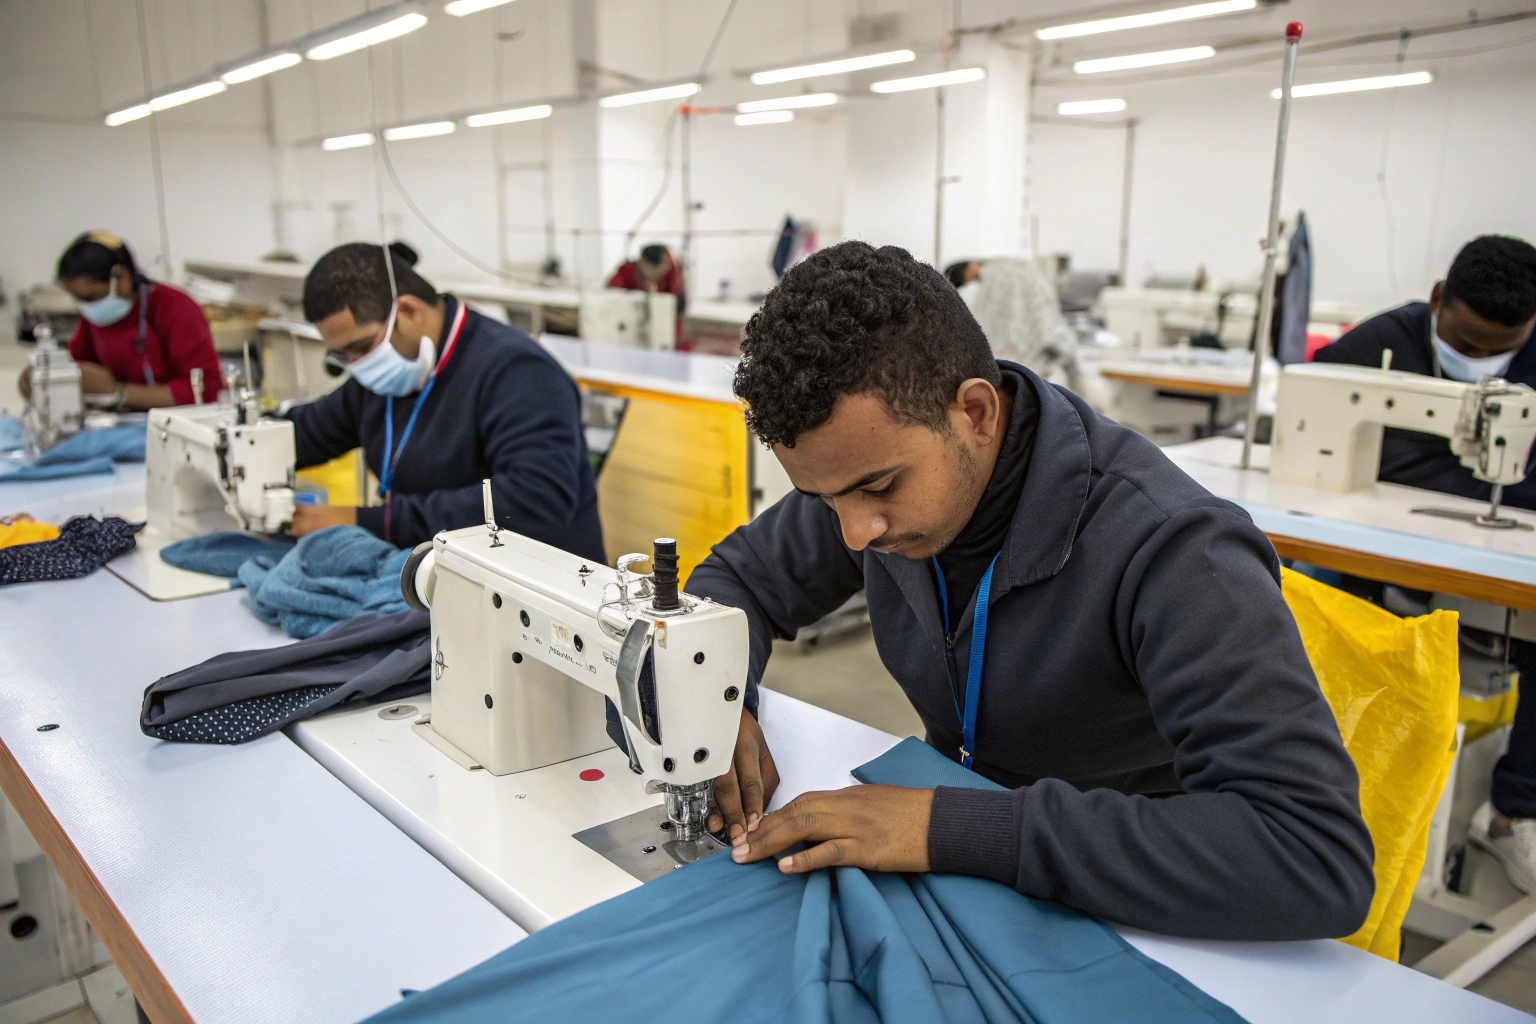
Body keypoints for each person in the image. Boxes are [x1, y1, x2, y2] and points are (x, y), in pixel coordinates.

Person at [687, 241, 1374, 941]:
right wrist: (710, 693)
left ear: (976, 413)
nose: (856, 533)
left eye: (880, 489)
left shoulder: (1175, 550)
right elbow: (735, 581)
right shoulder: (863, 471)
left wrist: (947, 825)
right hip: (974, 874)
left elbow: (1314, 856)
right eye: (825, 499)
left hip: (1136, 908)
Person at [1312, 234, 1536, 893]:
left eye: (1504, 349)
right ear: (1438, 300)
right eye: (1466, 345)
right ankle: (1329, 781)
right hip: (1378, 559)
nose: (1483, 361)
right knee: (1325, 607)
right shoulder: (1377, 345)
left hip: (1499, 559)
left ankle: (1512, 812)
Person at [285, 241, 604, 559]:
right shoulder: (378, 383)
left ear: (409, 311)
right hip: (438, 572)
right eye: (342, 356)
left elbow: (533, 502)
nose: (356, 365)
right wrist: (249, 442)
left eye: (363, 348)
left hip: (538, 584)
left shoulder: (519, 372)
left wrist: (372, 521)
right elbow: (307, 433)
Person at [17, 232, 221, 410]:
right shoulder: (95, 318)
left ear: (121, 277)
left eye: (90, 297)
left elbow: (204, 390)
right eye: (79, 300)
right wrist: (46, 376)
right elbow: (81, 365)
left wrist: (117, 393)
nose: (87, 307)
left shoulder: (175, 308)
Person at [607, 244, 686, 315]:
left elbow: (678, 307)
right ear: (643, 262)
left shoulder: (669, 274)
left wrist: (654, 296)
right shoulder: (626, 272)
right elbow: (611, 298)